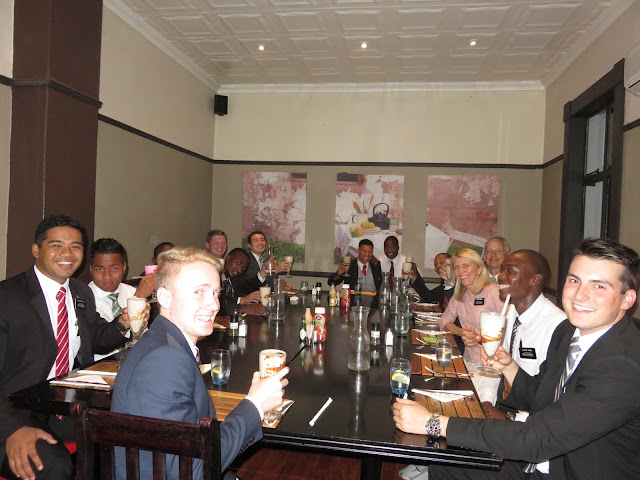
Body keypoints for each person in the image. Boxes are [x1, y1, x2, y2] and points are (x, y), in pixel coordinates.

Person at [393, 237, 640, 480]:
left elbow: (536, 440)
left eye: (599, 286)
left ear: (627, 299)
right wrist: (509, 367)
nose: (580, 295)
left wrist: (434, 423)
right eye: (574, 281)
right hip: (538, 460)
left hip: (565, 469)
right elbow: (541, 396)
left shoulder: (623, 366)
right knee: (446, 466)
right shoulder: (569, 332)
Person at [112, 247, 289, 479]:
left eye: (215, 293)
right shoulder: (165, 360)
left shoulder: (163, 341)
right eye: (198, 292)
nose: (214, 304)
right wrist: (256, 405)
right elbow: (193, 470)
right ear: (164, 297)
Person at [0, 215, 136, 480]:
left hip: (58, 404)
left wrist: (124, 322)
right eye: (57, 245)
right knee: (54, 466)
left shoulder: (80, 292)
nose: (67, 253)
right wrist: (12, 428)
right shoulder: (8, 297)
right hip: (12, 410)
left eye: (75, 246)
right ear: (36, 250)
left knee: (123, 431)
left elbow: (97, 339)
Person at [482, 249, 566, 420]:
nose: (500, 276)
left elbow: (550, 398)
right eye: (502, 270)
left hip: (528, 420)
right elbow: (497, 368)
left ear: (535, 279)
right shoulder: (509, 313)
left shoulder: (558, 325)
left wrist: (509, 418)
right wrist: (487, 401)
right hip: (502, 406)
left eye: (510, 271)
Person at [438, 248, 502, 365]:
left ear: (479, 269)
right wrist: (463, 333)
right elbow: (444, 322)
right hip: (468, 361)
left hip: (492, 363)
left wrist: (478, 339)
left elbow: (507, 332)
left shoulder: (493, 292)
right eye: (456, 267)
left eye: (466, 265)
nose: (460, 271)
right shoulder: (460, 294)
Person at [233, 231, 291, 297]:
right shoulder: (245, 260)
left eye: (262, 240)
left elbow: (268, 283)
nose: (260, 243)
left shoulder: (266, 261)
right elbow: (250, 284)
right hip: (249, 300)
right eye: (256, 240)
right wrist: (275, 270)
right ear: (249, 245)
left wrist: (281, 285)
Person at [221, 248, 266, 316]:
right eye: (238, 263)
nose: (240, 270)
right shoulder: (216, 275)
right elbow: (220, 305)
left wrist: (263, 273)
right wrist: (242, 308)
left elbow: (246, 287)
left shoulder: (234, 278)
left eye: (243, 268)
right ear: (228, 258)